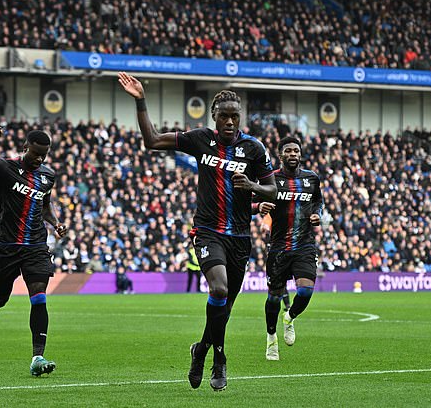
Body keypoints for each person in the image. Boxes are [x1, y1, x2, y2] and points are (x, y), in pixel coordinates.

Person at [118, 72, 276, 391]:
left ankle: (200, 349)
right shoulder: (200, 139)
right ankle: (219, 357)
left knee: (225, 309)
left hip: (241, 238)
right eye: (224, 116)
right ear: (214, 118)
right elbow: (151, 140)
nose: (230, 122)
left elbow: (274, 190)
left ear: (240, 118)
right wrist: (141, 101)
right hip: (207, 232)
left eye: (235, 116)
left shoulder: (254, 149)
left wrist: (253, 186)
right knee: (218, 291)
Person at [0, 125, 68, 377]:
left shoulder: (47, 175)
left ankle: (37, 357)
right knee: (0, 298)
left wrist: (55, 223)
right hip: (8, 246)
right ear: (25, 148)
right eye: (36, 154)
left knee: (39, 296)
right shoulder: (4, 167)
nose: (40, 159)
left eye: (44, 154)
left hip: (36, 246)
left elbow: (45, 205)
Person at [254, 136, 323, 361]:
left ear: (300, 154)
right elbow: (251, 200)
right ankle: (271, 337)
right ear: (281, 155)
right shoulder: (272, 179)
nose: (293, 154)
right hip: (278, 248)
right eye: (288, 151)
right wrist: (259, 206)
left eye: (296, 151)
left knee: (305, 291)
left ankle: (290, 316)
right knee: (273, 298)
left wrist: (317, 215)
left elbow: (318, 202)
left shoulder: (312, 179)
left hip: (304, 245)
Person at [260, 214, 291, 312]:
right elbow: (264, 228)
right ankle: (286, 305)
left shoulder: (270, 216)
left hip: (279, 252)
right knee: (279, 282)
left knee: (280, 281)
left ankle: (286, 304)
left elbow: (263, 228)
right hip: (276, 252)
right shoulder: (269, 216)